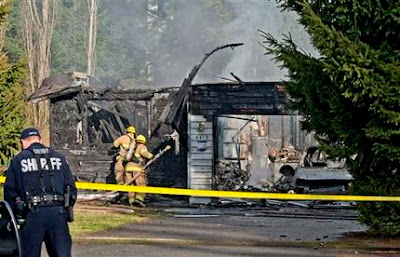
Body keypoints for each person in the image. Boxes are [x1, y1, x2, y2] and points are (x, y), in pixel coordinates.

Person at [4, 128, 77, 257]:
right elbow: (71, 188)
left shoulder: (18, 160)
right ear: (40, 140)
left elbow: (10, 193)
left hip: (31, 215)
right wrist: (66, 210)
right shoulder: (59, 158)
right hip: (58, 214)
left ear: (23, 142)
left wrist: (15, 217)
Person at [125, 134, 153, 208]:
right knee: (140, 184)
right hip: (137, 169)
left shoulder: (132, 147)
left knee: (131, 186)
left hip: (128, 169)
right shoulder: (141, 146)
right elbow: (145, 154)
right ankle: (139, 200)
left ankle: (131, 201)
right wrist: (151, 156)